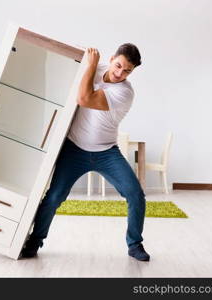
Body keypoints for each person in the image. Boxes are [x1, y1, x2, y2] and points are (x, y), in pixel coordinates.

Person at [20, 43, 149, 261]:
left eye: (127, 71)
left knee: (136, 195)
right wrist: (92, 64)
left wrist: (92, 66)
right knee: (54, 196)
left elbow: (84, 99)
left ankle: (135, 245)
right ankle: (34, 241)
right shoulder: (95, 68)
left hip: (107, 152)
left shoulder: (125, 93)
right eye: (118, 66)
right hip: (73, 149)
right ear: (112, 58)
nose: (120, 73)